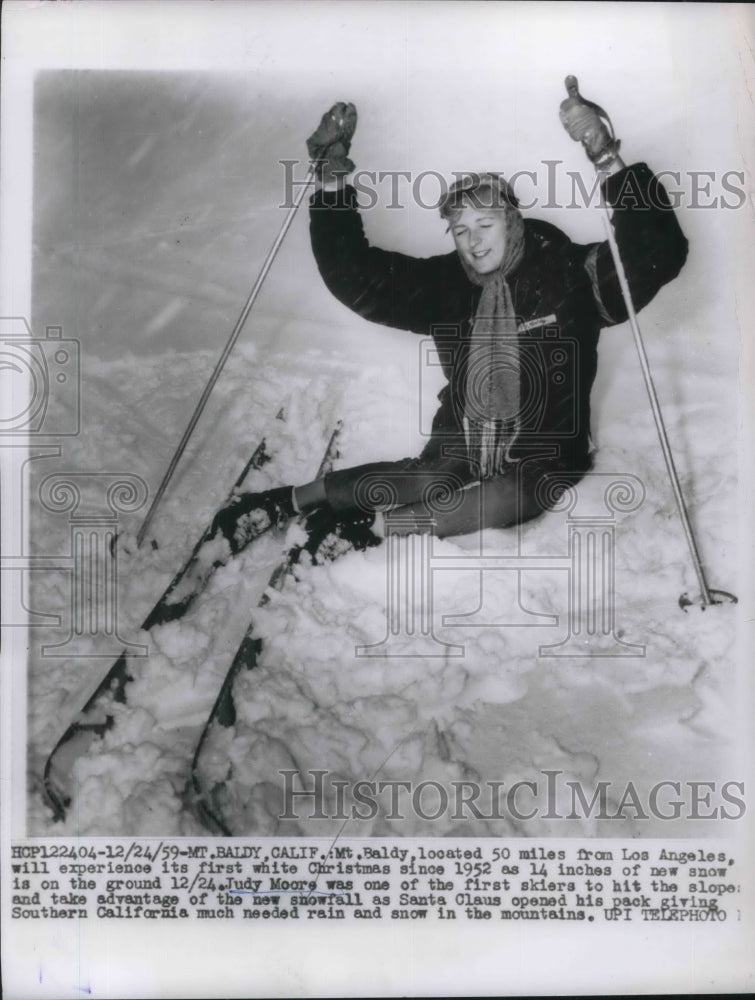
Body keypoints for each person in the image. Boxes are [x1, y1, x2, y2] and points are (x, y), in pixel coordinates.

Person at [212, 97, 688, 559]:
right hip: (463, 433)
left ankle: (374, 527)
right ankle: (288, 500)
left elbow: (656, 253)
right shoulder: (448, 284)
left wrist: (607, 160)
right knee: (431, 478)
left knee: (515, 495)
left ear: (512, 221)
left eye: (485, 224)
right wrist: (331, 181)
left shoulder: (568, 275)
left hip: (547, 448)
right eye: (461, 230)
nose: (474, 242)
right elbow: (356, 277)